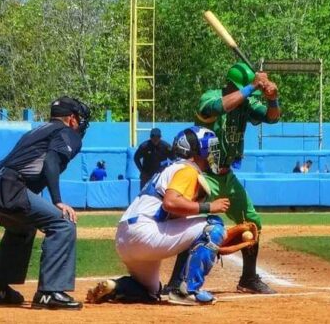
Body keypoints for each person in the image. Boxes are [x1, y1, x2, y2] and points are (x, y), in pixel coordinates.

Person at [161, 61, 281, 295]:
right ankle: (176, 282)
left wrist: (272, 97)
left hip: (227, 175)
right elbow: (215, 108)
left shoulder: (246, 103)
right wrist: (251, 87)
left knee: (252, 221)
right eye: (244, 87)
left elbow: (272, 117)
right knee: (194, 225)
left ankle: (248, 278)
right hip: (204, 174)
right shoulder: (211, 96)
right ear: (232, 84)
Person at [86, 126, 230, 306]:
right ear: (198, 150)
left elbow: (174, 214)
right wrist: (210, 207)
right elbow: (170, 203)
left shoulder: (170, 169)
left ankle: (116, 287)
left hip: (125, 238)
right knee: (213, 225)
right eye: (209, 147)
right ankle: (187, 291)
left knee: (150, 293)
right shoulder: (188, 170)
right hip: (145, 232)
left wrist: (212, 245)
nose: (212, 152)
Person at [0, 96, 90, 310]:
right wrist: (58, 201)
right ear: (71, 119)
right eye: (79, 118)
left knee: (23, 228)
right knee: (63, 223)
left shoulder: (37, 131)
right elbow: (51, 161)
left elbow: (7, 162)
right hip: (8, 188)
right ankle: (49, 293)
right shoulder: (66, 133)